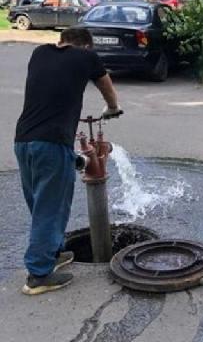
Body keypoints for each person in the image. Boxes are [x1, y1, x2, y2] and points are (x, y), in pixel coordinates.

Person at [14, 27, 122, 295]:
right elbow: (106, 85)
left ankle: (51, 252)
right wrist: (112, 108)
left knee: (39, 202)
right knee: (51, 207)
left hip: (23, 142)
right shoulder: (86, 57)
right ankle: (38, 275)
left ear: (61, 41)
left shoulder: (40, 53)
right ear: (86, 46)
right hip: (52, 144)